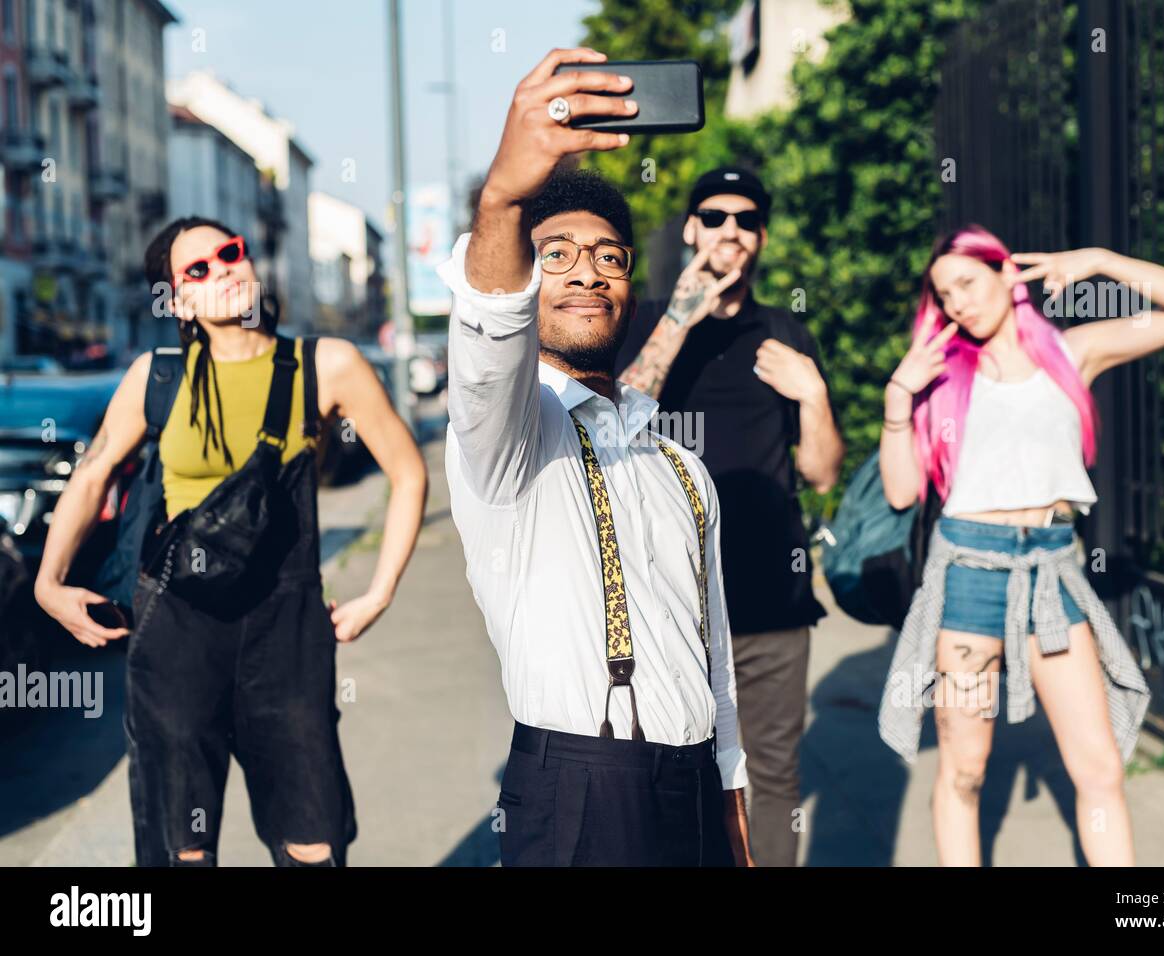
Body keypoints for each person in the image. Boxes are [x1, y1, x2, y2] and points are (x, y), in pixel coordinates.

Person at [440, 47, 753, 867]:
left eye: (609, 257)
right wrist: (504, 198)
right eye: (557, 255)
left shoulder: (678, 466)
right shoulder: (510, 438)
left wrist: (732, 800)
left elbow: (713, 656)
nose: (588, 272)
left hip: (693, 788)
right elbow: (486, 342)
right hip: (578, 791)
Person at [34, 216, 428, 866]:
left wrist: (378, 592)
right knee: (180, 847)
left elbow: (408, 471)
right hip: (177, 630)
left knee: (314, 843)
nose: (223, 271)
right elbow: (94, 469)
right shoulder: (156, 377)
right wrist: (50, 583)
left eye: (230, 253)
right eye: (199, 269)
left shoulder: (324, 365)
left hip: (288, 631)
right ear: (178, 300)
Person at [877, 224, 1164, 866]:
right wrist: (899, 397)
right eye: (945, 294)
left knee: (1098, 765)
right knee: (966, 768)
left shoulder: (1072, 352)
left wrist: (1099, 260)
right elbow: (900, 494)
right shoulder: (938, 375)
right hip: (970, 575)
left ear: (1009, 274)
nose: (958, 303)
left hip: (1053, 574)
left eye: (969, 283)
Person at [615, 167, 844, 866]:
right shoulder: (646, 321)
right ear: (691, 230)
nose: (730, 231)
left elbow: (822, 471)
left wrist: (814, 397)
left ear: (762, 238)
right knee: (671, 775)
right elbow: (612, 426)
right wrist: (682, 317)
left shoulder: (784, 332)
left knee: (773, 776)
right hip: (667, 601)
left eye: (746, 220)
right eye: (713, 217)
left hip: (772, 599)